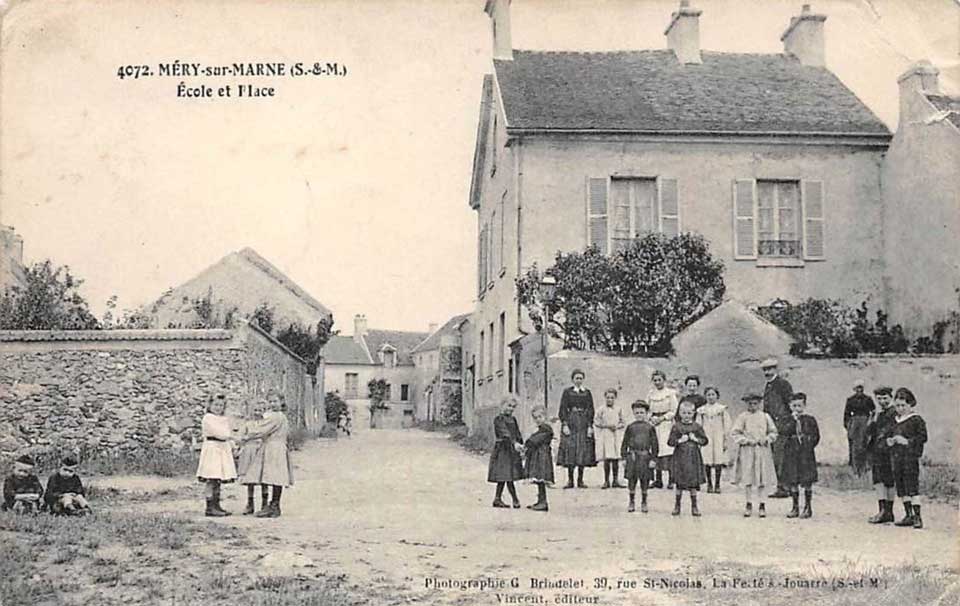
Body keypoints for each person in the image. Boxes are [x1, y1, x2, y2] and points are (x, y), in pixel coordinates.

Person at [239, 390, 294, 518]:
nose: (273, 404)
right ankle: (273, 505)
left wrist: (247, 435)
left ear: (282, 402)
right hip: (275, 446)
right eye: (270, 401)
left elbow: (262, 429)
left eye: (275, 401)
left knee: (274, 476)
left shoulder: (276, 417)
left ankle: (274, 506)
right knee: (274, 476)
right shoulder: (279, 416)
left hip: (274, 447)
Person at [730, 393, 778, 518]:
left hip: (762, 450)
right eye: (750, 403)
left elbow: (773, 432)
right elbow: (735, 433)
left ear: (759, 404)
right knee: (748, 477)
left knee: (761, 477)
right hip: (748, 451)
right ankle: (748, 503)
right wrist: (746, 440)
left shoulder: (765, 416)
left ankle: (762, 504)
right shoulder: (743, 417)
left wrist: (767, 439)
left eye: (755, 403)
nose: (752, 406)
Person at [888, 387, 927, 529]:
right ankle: (908, 514)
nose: (900, 408)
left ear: (911, 404)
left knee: (912, 487)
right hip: (897, 458)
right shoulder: (895, 421)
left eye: (903, 405)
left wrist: (907, 441)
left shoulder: (916, 420)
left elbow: (923, 437)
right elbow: (889, 435)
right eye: (897, 406)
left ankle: (917, 517)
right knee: (901, 487)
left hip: (909, 459)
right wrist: (890, 441)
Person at [196, 393, 238, 517]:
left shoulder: (224, 419)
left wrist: (234, 446)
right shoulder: (208, 418)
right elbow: (220, 433)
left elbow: (227, 434)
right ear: (210, 405)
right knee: (211, 477)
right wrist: (229, 435)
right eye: (216, 404)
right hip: (213, 448)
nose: (218, 407)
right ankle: (209, 507)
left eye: (221, 405)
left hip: (222, 449)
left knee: (218, 479)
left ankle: (217, 504)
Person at [780, 393, 820, 519]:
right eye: (794, 405)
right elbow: (783, 432)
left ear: (804, 406)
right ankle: (795, 507)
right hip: (792, 453)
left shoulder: (810, 419)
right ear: (790, 406)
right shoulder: (787, 419)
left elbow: (816, 436)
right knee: (793, 480)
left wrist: (808, 444)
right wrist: (793, 420)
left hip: (805, 454)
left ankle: (808, 507)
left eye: (800, 405)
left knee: (807, 479)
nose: (797, 408)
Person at [557, 369, 597, 489]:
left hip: (583, 423)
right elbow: (563, 408)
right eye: (576, 378)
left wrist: (590, 425)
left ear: (583, 379)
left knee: (582, 450)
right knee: (571, 450)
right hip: (571, 421)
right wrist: (564, 424)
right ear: (572, 379)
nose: (579, 380)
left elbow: (591, 409)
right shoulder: (567, 392)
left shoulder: (587, 393)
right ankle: (570, 480)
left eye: (580, 378)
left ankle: (580, 480)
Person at [668, 400, 708, 516]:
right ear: (680, 413)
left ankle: (694, 506)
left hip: (693, 457)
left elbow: (705, 440)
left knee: (693, 483)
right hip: (680, 457)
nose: (686, 416)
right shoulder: (676, 426)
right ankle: (677, 506)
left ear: (693, 413)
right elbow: (670, 442)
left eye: (689, 413)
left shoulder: (697, 426)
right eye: (684, 413)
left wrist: (695, 439)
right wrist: (679, 440)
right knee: (679, 483)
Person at [864, 387, 898, 524]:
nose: (882, 401)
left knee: (887, 480)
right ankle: (884, 511)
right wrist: (872, 419)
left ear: (891, 398)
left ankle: (887, 511)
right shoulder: (879, 414)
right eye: (879, 398)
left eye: (885, 398)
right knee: (879, 480)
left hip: (888, 451)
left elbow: (890, 431)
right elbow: (869, 432)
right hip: (877, 451)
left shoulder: (893, 413)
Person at [760, 358, 793, 498]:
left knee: (782, 457)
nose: (767, 372)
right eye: (765, 370)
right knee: (776, 456)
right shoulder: (768, 385)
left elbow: (790, 404)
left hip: (782, 425)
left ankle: (785, 487)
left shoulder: (782, 384)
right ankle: (782, 486)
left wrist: (787, 423)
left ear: (775, 369)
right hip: (772, 424)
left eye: (770, 369)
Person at [621, 400, 659, 513]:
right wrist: (623, 457)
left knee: (644, 480)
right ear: (633, 413)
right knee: (632, 480)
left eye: (642, 412)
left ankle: (644, 502)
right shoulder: (630, 427)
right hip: (632, 457)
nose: (639, 415)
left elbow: (655, 445)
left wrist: (653, 459)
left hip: (645, 457)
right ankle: (631, 501)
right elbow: (624, 443)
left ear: (646, 413)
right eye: (637, 413)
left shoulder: (650, 428)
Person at [488, 395, 524, 508]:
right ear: (502, 405)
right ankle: (515, 499)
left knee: (507, 475)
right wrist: (514, 443)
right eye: (509, 406)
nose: (511, 409)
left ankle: (497, 499)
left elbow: (517, 433)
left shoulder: (513, 419)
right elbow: (505, 433)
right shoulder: (499, 419)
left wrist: (521, 444)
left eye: (513, 407)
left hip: (512, 450)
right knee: (506, 475)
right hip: (503, 449)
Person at [237, 398, 270, 516]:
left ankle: (264, 503)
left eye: (260, 410)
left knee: (263, 476)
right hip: (250, 450)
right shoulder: (248, 424)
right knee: (250, 477)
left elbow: (268, 435)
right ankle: (250, 503)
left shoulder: (266, 423)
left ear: (264, 411)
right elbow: (240, 437)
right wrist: (246, 439)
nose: (257, 413)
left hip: (261, 449)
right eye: (255, 410)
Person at [647, 370, 679, 489]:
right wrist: (652, 418)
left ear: (664, 380)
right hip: (655, 424)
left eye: (659, 380)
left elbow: (674, 410)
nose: (657, 382)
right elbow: (647, 408)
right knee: (655, 449)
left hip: (666, 424)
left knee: (668, 450)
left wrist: (663, 418)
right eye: (655, 380)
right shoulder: (650, 394)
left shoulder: (670, 393)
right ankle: (658, 479)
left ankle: (671, 480)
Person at [697, 386, 732, 494]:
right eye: (708, 395)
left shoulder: (721, 409)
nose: (711, 397)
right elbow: (698, 424)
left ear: (717, 396)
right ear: (705, 396)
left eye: (713, 394)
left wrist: (725, 438)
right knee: (706, 460)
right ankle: (709, 484)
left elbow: (727, 424)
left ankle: (717, 483)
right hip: (706, 435)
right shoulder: (702, 410)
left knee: (718, 460)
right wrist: (700, 437)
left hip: (718, 435)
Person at [523, 405, 554, 512]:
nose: (538, 420)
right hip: (538, 455)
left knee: (541, 477)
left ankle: (543, 502)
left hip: (542, 456)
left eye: (540, 417)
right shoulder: (541, 429)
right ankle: (540, 500)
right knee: (538, 478)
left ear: (545, 417)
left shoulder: (546, 428)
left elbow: (536, 440)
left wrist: (528, 442)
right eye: (535, 418)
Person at [594, 387, 626, 489]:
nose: (610, 400)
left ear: (615, 398)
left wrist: (617, 426)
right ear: (605, 398)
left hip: (615, 435)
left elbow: (623, 422)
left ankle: (615, 480)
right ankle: (606, 481)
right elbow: (596, 422)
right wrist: (606, 426)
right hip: (606, 434)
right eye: (608, 397)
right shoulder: (601, 409)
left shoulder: (618, 409)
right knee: (607, 458)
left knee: (615, 458)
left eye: (612, 398)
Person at [843, 380, 875, 476]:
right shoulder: (850, 400)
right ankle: (855, 470)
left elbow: (873, 411)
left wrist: (870, 422)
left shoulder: (868, 399)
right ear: (854, 389)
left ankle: (865, 469)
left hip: (865, 423)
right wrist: (849, 425)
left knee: (865, 445)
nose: (859, 390)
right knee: (854, 447)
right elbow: (846, 414)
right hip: (855, 424)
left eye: (861, 388)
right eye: (857, 388)